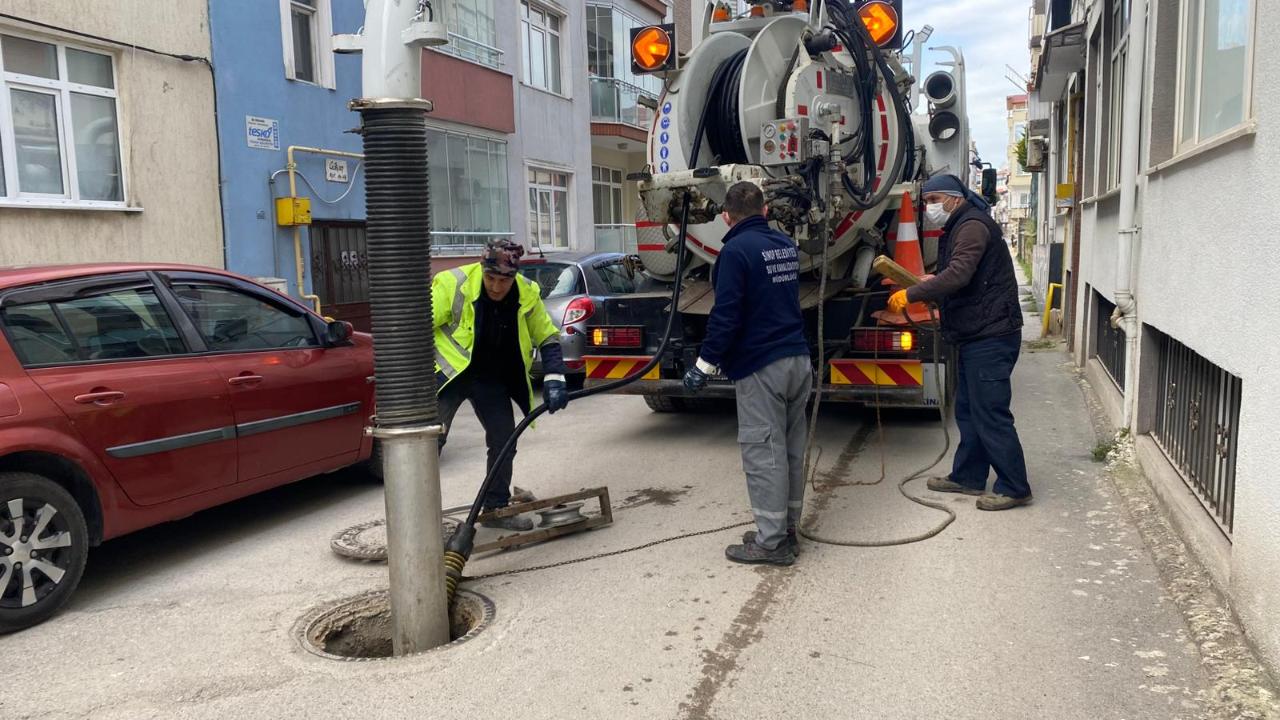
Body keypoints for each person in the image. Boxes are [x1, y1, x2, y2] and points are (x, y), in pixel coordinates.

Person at [684, 182, 812, 566]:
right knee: (790, 450)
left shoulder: (735, 252)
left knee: (763, 455)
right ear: (766, 210)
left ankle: (770, 544)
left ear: (726, 216)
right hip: (797, 361)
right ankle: (786, 528)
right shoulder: (785, 247)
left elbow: (726, 316)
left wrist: (703, 365)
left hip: (762, 366)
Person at [888, 174, 1032, 510]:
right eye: (926, 202)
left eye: (933, 200)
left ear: (953, 198)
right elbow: (958, 271)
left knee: (990, 413)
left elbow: (959, 274)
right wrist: (929, 280)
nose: (929, 208)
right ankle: (968, 476)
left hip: (991, 335)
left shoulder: (971, 226)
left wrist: (912, 293)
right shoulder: (961, 223)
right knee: (968, 410)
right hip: (976, 333)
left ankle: (1014, 486)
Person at [432, 240, 570, 531]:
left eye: (503, 280)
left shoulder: (526, 293)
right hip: (451, 375)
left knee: (504, 439)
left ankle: (496, 509)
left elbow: (547, 336)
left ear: (515, 276)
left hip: (491, 378)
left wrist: (555, 378)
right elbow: (415, 327)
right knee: (428, 442)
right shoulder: (453, 284)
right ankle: (420, 518)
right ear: (482, 269)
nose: (496, 287)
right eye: (490, 278)